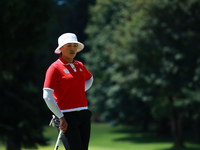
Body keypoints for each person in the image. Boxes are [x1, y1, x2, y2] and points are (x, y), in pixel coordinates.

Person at [43, 33, 93, 150]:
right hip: (66, 116)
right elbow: (47, 95)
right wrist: (60, 117)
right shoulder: (54, 68)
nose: (72, 48)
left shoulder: (79, 65)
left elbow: (90, 78)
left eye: (75, 45)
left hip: (83, 114)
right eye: (69, 45)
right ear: (61, 48)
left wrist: (78, 91)